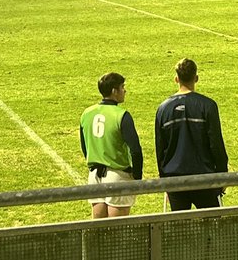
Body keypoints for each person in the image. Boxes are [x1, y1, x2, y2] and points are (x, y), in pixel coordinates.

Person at [155, 58, 229, 211]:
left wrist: (165, 180)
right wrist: (222, 175)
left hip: (175, 180)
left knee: (180, 229)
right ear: (196, 78)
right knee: (211, 226)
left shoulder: (163, 109)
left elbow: (160, 148)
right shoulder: (207, 106)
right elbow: (216, 144)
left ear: (176, 78)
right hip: (204, 178)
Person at [79, 72, 144, 218]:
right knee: (117, 233)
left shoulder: (87, 113)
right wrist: (137, 176)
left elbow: (85, 147)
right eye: (122, 87)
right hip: (118, 176)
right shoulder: (121, 115)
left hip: (94, 176)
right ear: (114, 91)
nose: (125, 91)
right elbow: (135, 150)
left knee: (98, 230)